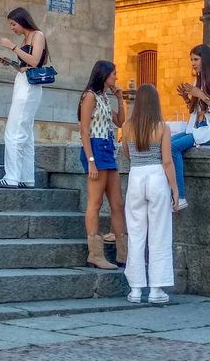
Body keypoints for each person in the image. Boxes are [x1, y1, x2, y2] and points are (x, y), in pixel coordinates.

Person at [121, 84, 178, 304]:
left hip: (136, 176)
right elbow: (166, 161)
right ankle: (156, 289)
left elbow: (126, 154)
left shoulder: (127, 127)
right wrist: (175, 190)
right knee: (159, 234)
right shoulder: (162, 127)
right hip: (156, 177)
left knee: (136, 234)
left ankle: (135, 289)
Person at [79, 60, 127, 270]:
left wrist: (119, 98)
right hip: (96, 149)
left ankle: (123, 252)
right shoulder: (89, 96)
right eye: (114, 74)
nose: (116, 77)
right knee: (95, 202)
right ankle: (95, 254)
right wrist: (90, 161)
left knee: (117, 203)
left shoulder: (105, 97)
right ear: (104, 74)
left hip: (108, 148)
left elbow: (120, 122)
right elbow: (84, 130)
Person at [0, 7, 47, 188]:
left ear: (22, 21)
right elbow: (25, 67)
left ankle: (12, 177)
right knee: (26, 133)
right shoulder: (26, 39)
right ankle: (25, 177)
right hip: (24, 82)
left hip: (29, 88)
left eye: (13, 24)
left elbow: (35, 61)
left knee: (14, 131)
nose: (12, 28)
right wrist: (11, 63)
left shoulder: (37, 35)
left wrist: (13, 47)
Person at [173, 44, 210, 210]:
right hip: (198, 127)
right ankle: (172, 191)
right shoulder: (198, 80)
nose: (193, 63)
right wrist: (187, 98)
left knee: (173, 148)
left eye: (196, 59)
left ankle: (180, 196)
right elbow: (194, 109)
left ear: (205, 59)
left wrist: (201, 95)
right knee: (165, 143)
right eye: (191, 59)